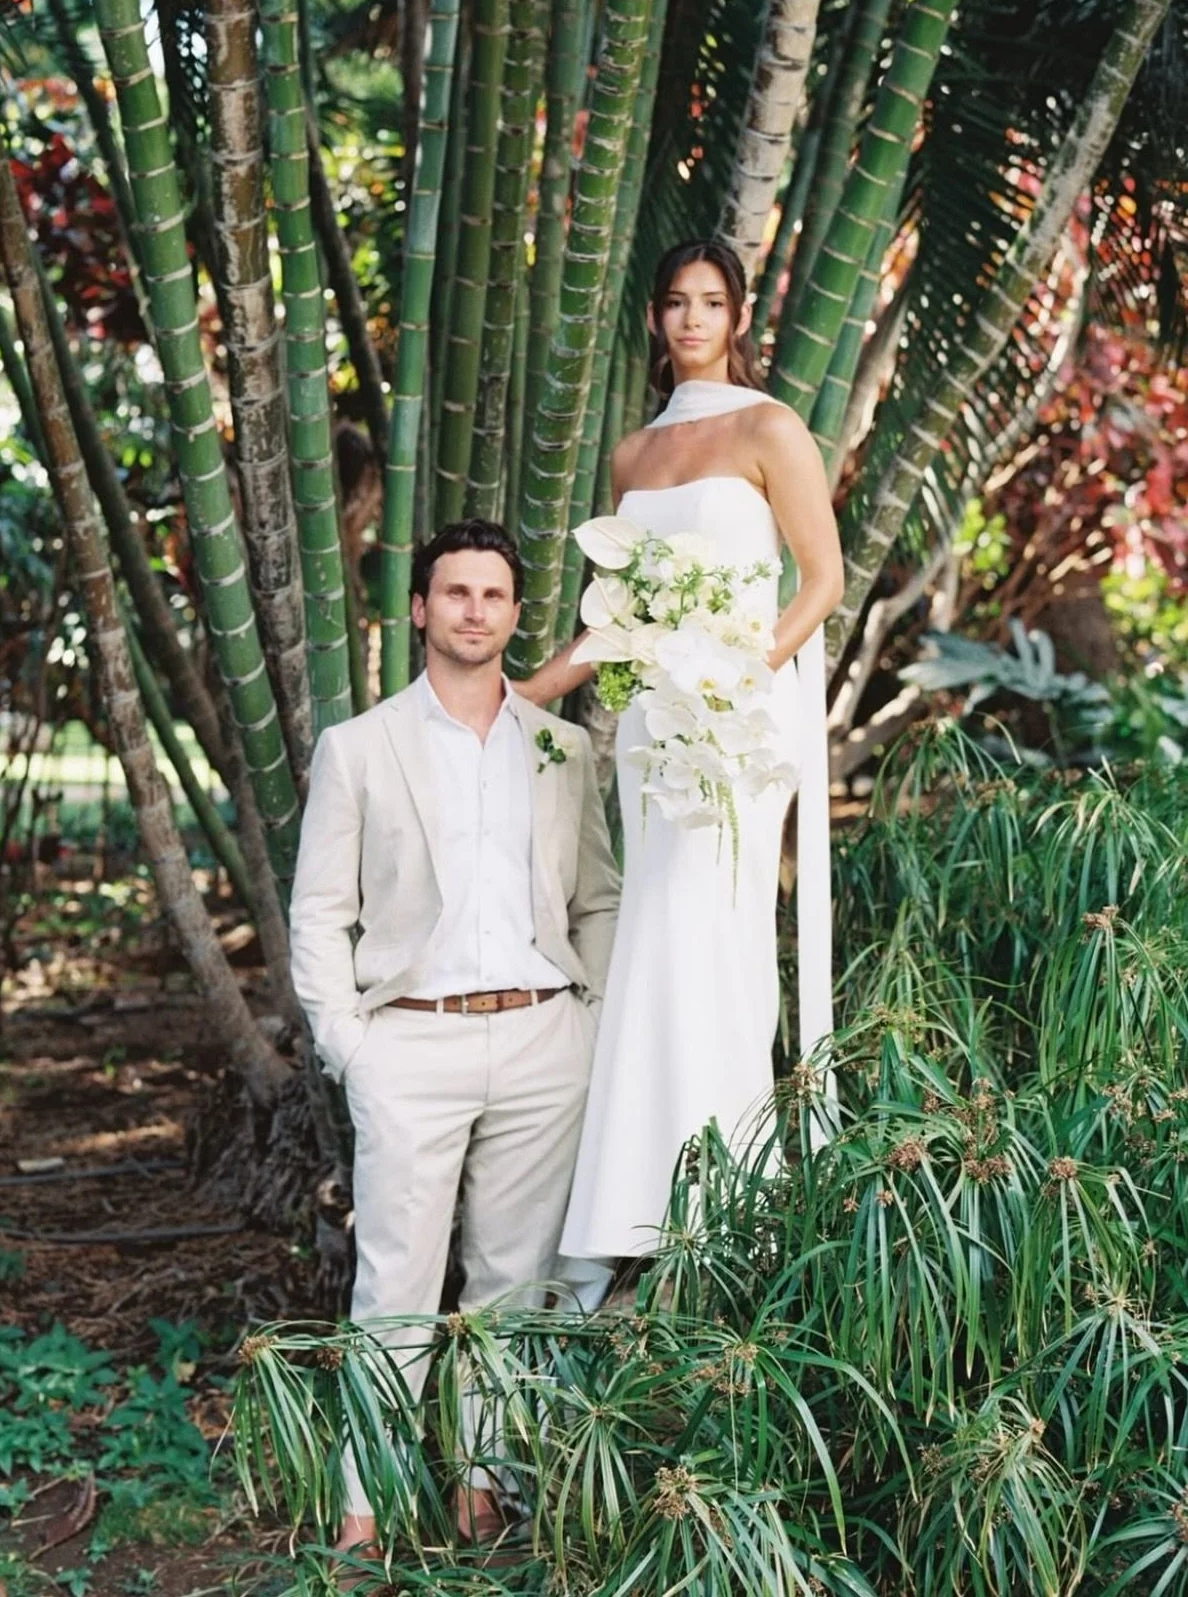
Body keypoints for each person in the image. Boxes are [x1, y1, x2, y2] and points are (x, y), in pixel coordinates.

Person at [289, 517, 620, 1557]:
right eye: (455, 592)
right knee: (394, 1282)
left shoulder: (563, 748)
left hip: (540, 1039)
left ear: (518, 616)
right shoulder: (360, 747)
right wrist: (354, 1049)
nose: (474, 610)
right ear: (421, 608)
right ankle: (367, 1505)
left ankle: (486, 1490)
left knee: (515, 1282)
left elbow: (599, 898)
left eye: (494, 595)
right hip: (412, 1048)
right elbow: (317, 915)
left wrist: (593, 1017)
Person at [519, 237, 844, 1282]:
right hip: (651, 731)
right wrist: (519, 690)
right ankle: (634, 1202)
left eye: (712, 301)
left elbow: (821, 579)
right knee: (653, 940)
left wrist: (741, 680)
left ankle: (722, 1206)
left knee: (709, 939)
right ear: (655, 319)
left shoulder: (768, 427)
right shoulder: (629, 458)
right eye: (675, 302)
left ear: (739, 316)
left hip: (736, 729)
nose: (693, 318)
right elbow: (612, 616)